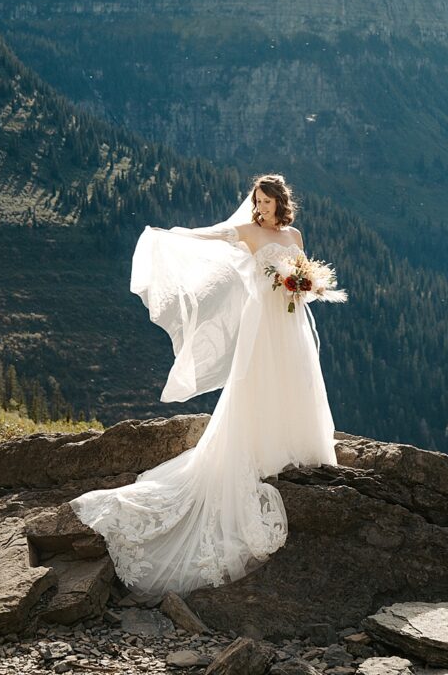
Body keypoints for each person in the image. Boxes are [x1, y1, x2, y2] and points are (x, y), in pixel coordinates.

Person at [69, 174, 339, 599]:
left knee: (297, 381)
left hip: (290, 323)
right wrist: (172, 235)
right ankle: (258, 449)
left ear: (281, 202)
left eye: (268, 201)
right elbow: (211, 237)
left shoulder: (294, 234)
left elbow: (302, 275)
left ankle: (296, 447)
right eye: (257, 200)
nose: (262, 207)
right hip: (262, 324)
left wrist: (305, 285)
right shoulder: (246, 231)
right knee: (257, 384)